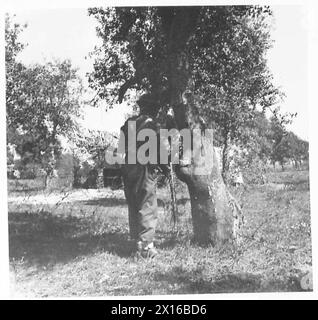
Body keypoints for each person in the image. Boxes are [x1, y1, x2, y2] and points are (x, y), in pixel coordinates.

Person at [120, 94, 167, 258]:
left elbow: (121, 147)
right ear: (154, 108)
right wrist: (165, 166)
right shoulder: (153, 125)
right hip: (145, 167)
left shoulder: (129, 123)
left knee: (134, 203)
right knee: (147, 204)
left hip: (129, 167)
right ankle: (146, 247)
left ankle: (137, 242)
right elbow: (161, 149)